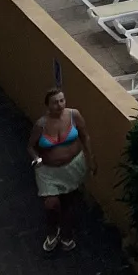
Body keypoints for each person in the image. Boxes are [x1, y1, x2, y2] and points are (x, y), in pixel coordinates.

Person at [29, 87, 87, 252]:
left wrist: (91, 158)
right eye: (55, 102)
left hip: (72, 167)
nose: (60, 105)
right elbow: (31, 147)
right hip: (48, 171)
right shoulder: (41, 124)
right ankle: (52, 230)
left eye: (62, 100)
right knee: (51, 204)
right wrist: (37, 159)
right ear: (48, 105)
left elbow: (85, 136)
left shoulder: (74, 115)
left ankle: (66, 233)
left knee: (68, 203)